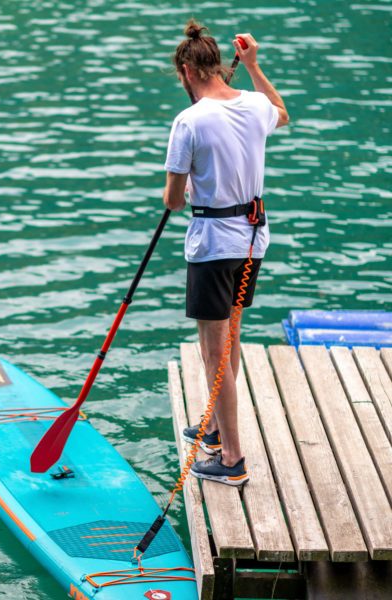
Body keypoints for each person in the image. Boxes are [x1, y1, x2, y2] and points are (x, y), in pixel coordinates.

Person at [163, 20, 289, 486]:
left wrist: (188, 183)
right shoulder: (256, 106)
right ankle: (214, 429)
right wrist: (255, 67)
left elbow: (174, 201)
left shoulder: (189, 121)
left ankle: (232, 459)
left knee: (214, 350)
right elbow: (281, 111)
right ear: (219, 65)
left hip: (214, 244)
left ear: (187, 70)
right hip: (254, 238)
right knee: (227, 337)